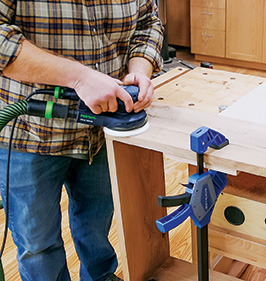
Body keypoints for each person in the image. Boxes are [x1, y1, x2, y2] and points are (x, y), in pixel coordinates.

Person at [0, 1, 163, 280]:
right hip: (31, 132)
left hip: (102, 133)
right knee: (38, 245)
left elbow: (149, 23)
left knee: (97, 226)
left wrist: (140, 69)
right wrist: (78, 77)